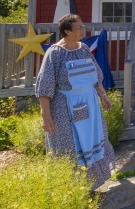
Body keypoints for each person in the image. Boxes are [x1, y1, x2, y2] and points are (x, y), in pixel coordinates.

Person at [35, 13, 115, 190]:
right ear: (66, 31)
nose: (82, 29)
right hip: (66, 109)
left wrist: (103, 96)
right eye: (78, 27)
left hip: (90, 105)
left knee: (92, 141)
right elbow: (45, 87)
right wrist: (46, 116)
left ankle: (92, 183)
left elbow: (95, 76)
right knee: (72, 145)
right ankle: (71, 188)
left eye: (82, 26)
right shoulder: (54, 54)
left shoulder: (83, 48)